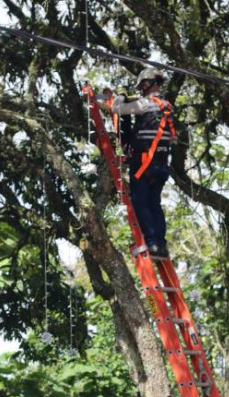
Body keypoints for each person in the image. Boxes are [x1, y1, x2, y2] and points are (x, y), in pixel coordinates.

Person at [100, 68, 176, 258]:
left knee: (140, 202)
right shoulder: (167, 106)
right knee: (155, 203)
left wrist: (122, 96)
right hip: (161, 165)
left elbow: (117, 109)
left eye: (142, 86)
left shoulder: (145, 103)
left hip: (143, 163)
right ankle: (161, 244)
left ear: (146, 84)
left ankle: (151, 242)